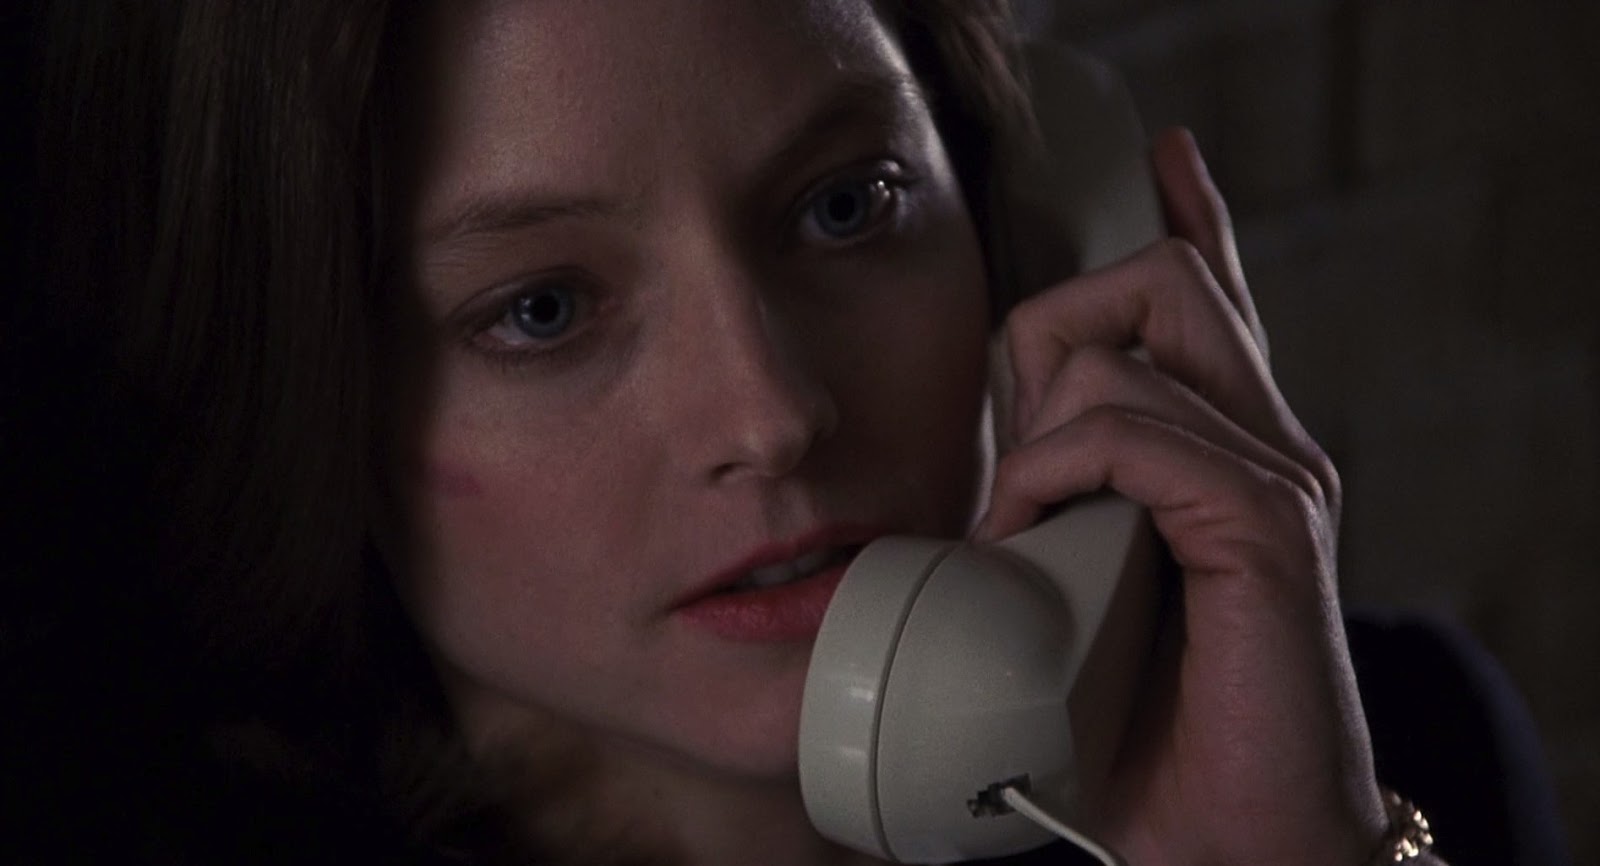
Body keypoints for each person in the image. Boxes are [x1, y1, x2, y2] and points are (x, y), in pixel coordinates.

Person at [12, 1, 1557, 864]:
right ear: (305, 389)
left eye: (845, 205)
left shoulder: (1383, 753)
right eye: (540, 309)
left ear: (1017, 228)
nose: (772, 413)